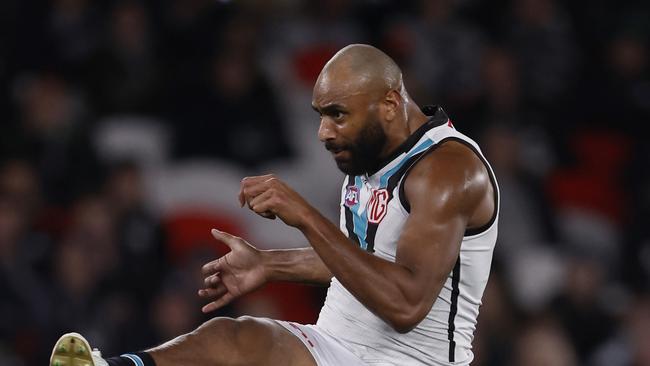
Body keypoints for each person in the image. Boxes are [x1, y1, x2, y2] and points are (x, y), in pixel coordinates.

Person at [50, 44, 499, 366]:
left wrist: (304, 216)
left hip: (409, 359)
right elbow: (362, 259)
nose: (323, 133)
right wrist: (270, 264)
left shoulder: (448, 173)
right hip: (335, 345)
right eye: (320, 115)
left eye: (337, 114)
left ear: (388, 103)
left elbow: (405, 304)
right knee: (233, 337)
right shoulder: (371, 148)